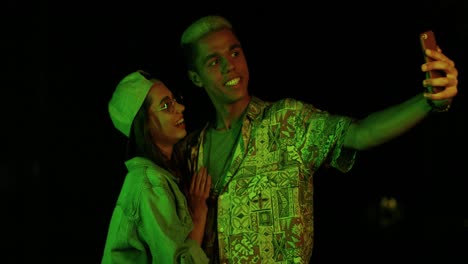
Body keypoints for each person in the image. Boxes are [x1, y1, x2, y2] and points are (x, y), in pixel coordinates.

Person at [177, 15, 459, 263]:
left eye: (235, 53)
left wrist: (429, 102)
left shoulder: (286, 121)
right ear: (196, 78)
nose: (230, 67)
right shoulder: (189, 152)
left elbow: (361, 134)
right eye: (214, 61)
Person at [102, 70, 212, 263]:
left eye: (174, 99)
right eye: (166, 105)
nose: (181, 107)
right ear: (144, 124)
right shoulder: (150, 184)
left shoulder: (160, 176)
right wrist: (198, 215)